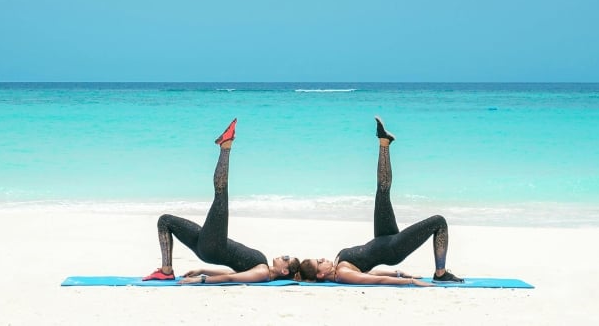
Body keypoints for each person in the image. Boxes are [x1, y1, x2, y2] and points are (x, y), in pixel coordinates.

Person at [298, 117, 463, 286]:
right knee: (439, 221)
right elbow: (375, 279)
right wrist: (412, 282)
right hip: (392, 249)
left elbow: (369, 271)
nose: (323, 259)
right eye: (319, 262)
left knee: (382, 190)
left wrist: (399, 273)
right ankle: (440, 273)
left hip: (383, 237)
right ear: (319, 275)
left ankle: (384, 141)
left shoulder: (338, 265)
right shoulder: (342, 274)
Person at [142, 118, 300, 284]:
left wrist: (200, 280)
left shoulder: (263, 272)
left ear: (284, 270)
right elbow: (233, 271)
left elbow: (231, 278)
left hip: (214, 246)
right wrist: (203, 270)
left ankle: (226, 146)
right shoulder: (262, 267)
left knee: (221, 194)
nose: (283, 256)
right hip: (209, 246)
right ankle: (166, 271)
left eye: (286, 258)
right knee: (165, 221)